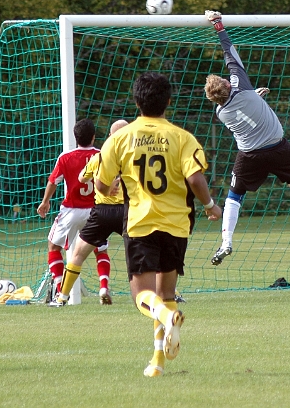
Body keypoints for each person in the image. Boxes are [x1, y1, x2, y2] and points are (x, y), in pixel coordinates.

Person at [94, 71, 222, 377]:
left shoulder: (120, 138)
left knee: (143, 297)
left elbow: (100, 183)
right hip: (177, 225)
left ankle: (166, 317)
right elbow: (195, 178)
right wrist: (210, 205)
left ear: (136, 101)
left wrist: (107, 189)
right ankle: (157, 363)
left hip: (140, 223)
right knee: (165, 293)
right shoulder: (182, 137)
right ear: (168, 101)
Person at [203, 10, 290, 266]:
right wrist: (218, 25)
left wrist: (255, 97)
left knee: (234, 196)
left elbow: (242, 109)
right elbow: (230, 53)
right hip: (278, 147)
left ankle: (226, 241)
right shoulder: (240, 84)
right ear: (228, 86)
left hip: (249, 154)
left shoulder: (221, 113)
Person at [49, 119, 129, 307]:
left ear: (110, 136)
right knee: (145, 251)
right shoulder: (136, 158)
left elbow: (81, 177)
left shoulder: (99, 158)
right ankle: (166, 292)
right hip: (127, 212)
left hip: (100, 212)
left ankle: (62, 297)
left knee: (77, 254)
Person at [37, 118, 100, 301]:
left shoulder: (66, 157)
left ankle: (59, 288)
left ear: (75, 137)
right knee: (99, 249)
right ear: (93, 137)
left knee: (53, 247)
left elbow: (53, 181)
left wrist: (45, 202)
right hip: (96, 210)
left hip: (71, 210)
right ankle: (104, 287)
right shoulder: (101, 155)